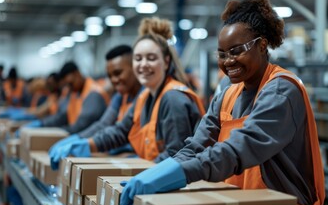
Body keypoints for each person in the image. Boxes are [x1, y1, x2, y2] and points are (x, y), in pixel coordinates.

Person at [120, 0, 325, 205]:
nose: (228, 61)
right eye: (222, 54)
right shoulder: (228, 92)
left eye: (236, 51)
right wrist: (160, 170)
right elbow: (196, 146)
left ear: (262, 45)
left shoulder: (280, 90)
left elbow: (239, 149)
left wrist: (180, 174)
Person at [49, 17, 205, 168]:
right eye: (138, 59)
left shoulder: (173, 98)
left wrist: (136, 170)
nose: (143, 65)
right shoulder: (144, 97)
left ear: (165, 61)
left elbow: (176, 155)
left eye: (151, 58)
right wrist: (84, 144)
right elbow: (120, 131)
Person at [49, 45, 144, 168]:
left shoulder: (145, 96)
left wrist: (84, 143)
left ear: (135, 68)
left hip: (139, 159)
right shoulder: (120, 97)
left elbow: (120, 131)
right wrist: (77, 139)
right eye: (110, 76)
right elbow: (103, 124)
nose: (114, 80)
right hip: (120, 153)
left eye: (118, 73)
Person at [22, 61, 110, 134]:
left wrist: (58, 132)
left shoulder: (94, 93)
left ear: (77, 74)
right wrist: (42, 124)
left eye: (70, 84)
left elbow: (82, 125)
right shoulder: (75, 93)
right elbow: (63, 116)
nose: (68, 88)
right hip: (77, 135)